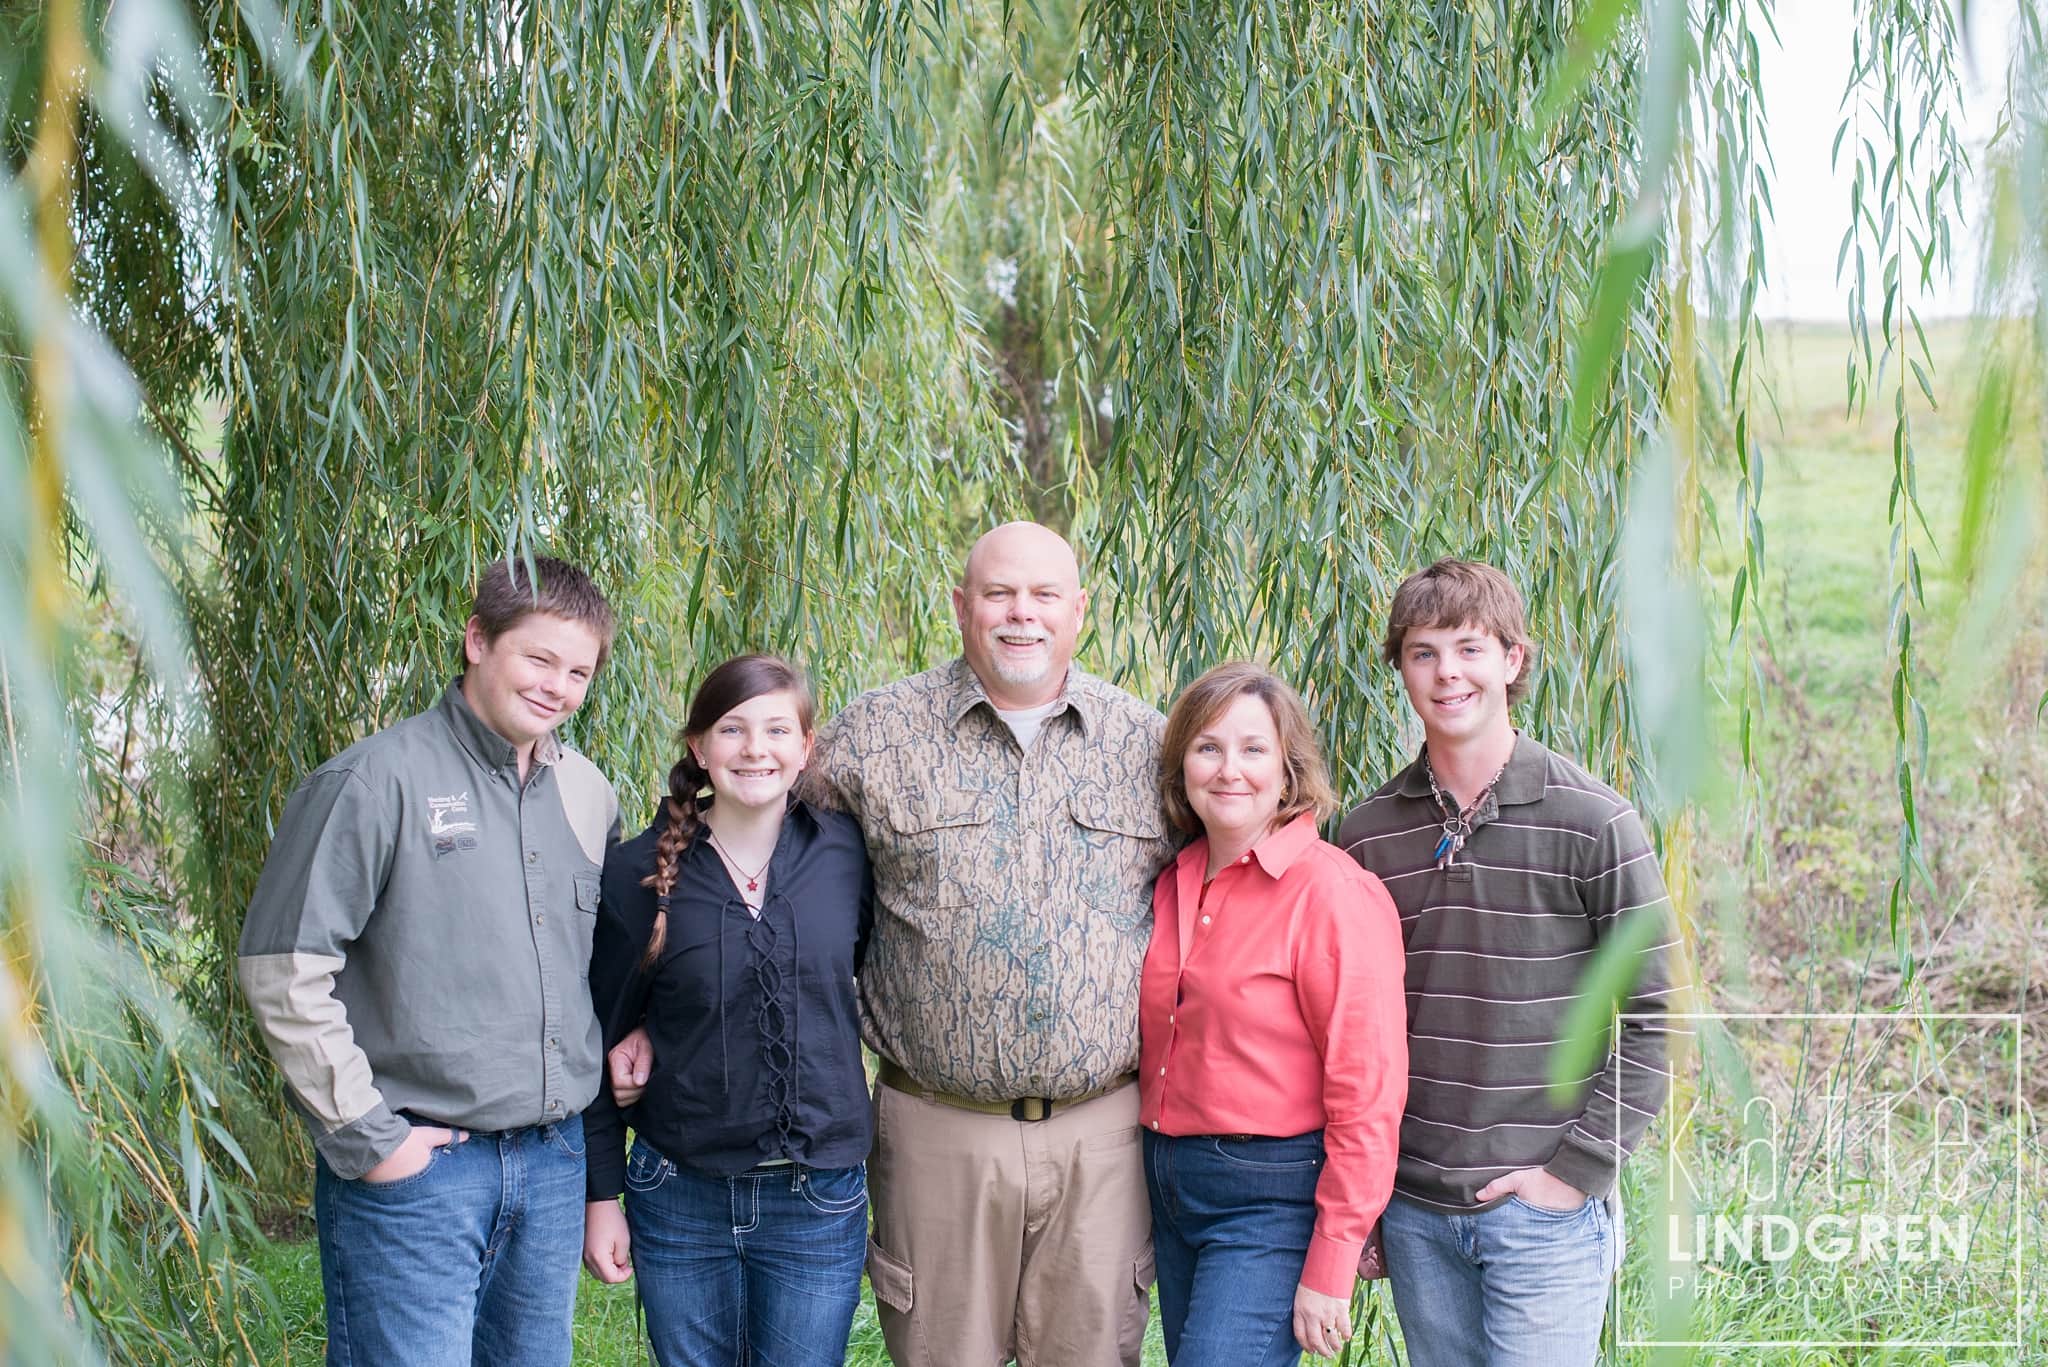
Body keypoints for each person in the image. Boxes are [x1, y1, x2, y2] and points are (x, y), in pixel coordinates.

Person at [730, 520, 1174, 1367]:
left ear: (1080, 609)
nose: (1022, 614)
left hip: (1102, 1137)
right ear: (961, 606)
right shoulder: (875, 735)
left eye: (1045, 595)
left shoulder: (1148, 744)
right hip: (935, 1129)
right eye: (1000, 593)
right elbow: (757, 864)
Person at [237, 555, 620, 1367]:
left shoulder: (589, 794)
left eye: (579, 669)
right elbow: (282, 967)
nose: (558, 686)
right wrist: (373, 1141)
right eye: (539, 658)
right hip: (422, 1171)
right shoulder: (374, 782)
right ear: (478, 639)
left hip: (550, 1166)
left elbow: (596, 977)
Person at [1336, 558, 1676, 1367]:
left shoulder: (1591, 820)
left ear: (1513, 660)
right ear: (1401, 670)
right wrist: (1363, 1201)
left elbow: (1657, 1010)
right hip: (1416, 1211)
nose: (1447, 672)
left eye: (1469, 648)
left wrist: (1574, 1171)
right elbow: (1351, 1032)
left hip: (1542, 1211)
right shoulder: (1368, 835)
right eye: (1423, 652)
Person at [580, 654, 874, 1367]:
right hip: (679, 1191)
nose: (755, 748)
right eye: (733, 728)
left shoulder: (847, 851)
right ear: (698, 746)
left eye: (778, 729)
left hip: (818, 1194)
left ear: (806, 747)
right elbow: (596, 1034)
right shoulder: (637, 872)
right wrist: (601, 1197)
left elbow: (854, 974)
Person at [1139, 662, 1408, 1367]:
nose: (1230, 769)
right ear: (1183, 766)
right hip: (1166, 1181)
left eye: (1254, 749)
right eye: (1208, 747)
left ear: (1288, 772)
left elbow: (1368, 1089)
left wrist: (1333, 1260)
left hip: (1268, 1196)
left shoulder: (1332, 893)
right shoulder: (1172, 878)